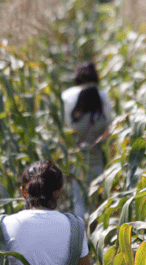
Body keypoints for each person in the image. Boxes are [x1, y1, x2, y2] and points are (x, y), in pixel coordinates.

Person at [61, 61, 113, 220]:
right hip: (97, 161)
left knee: (78, 202)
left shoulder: (68, 98)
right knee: (94, 203)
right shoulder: (102, 99)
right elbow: (109, 129)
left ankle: (80, 238)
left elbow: (64, 129)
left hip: (78, 162)